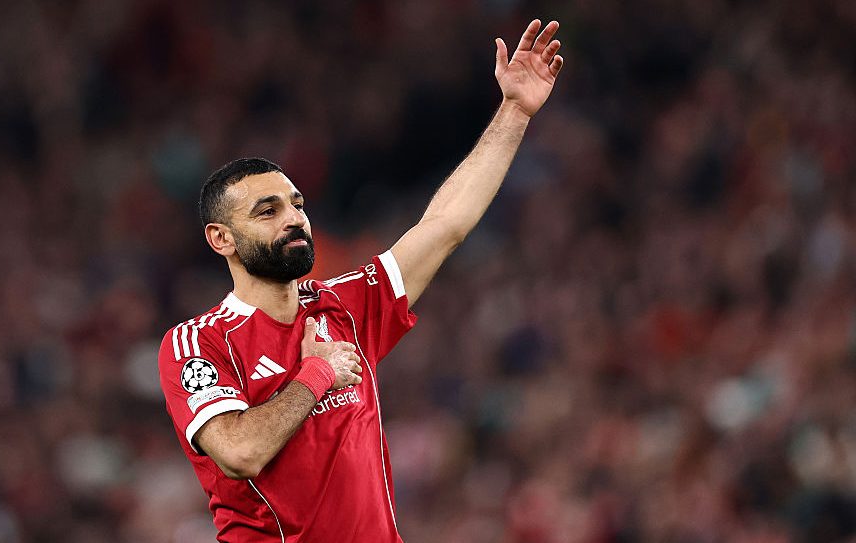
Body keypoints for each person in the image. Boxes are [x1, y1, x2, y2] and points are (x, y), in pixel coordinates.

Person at [158, 19, 565, 542]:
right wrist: (316, 374)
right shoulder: (199, 342)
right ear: (221, 239)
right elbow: (240, 452)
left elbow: (445, 225)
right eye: (268, 211)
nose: (293, 219)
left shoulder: (345, 305)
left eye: (297, 204)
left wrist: (514, 112)